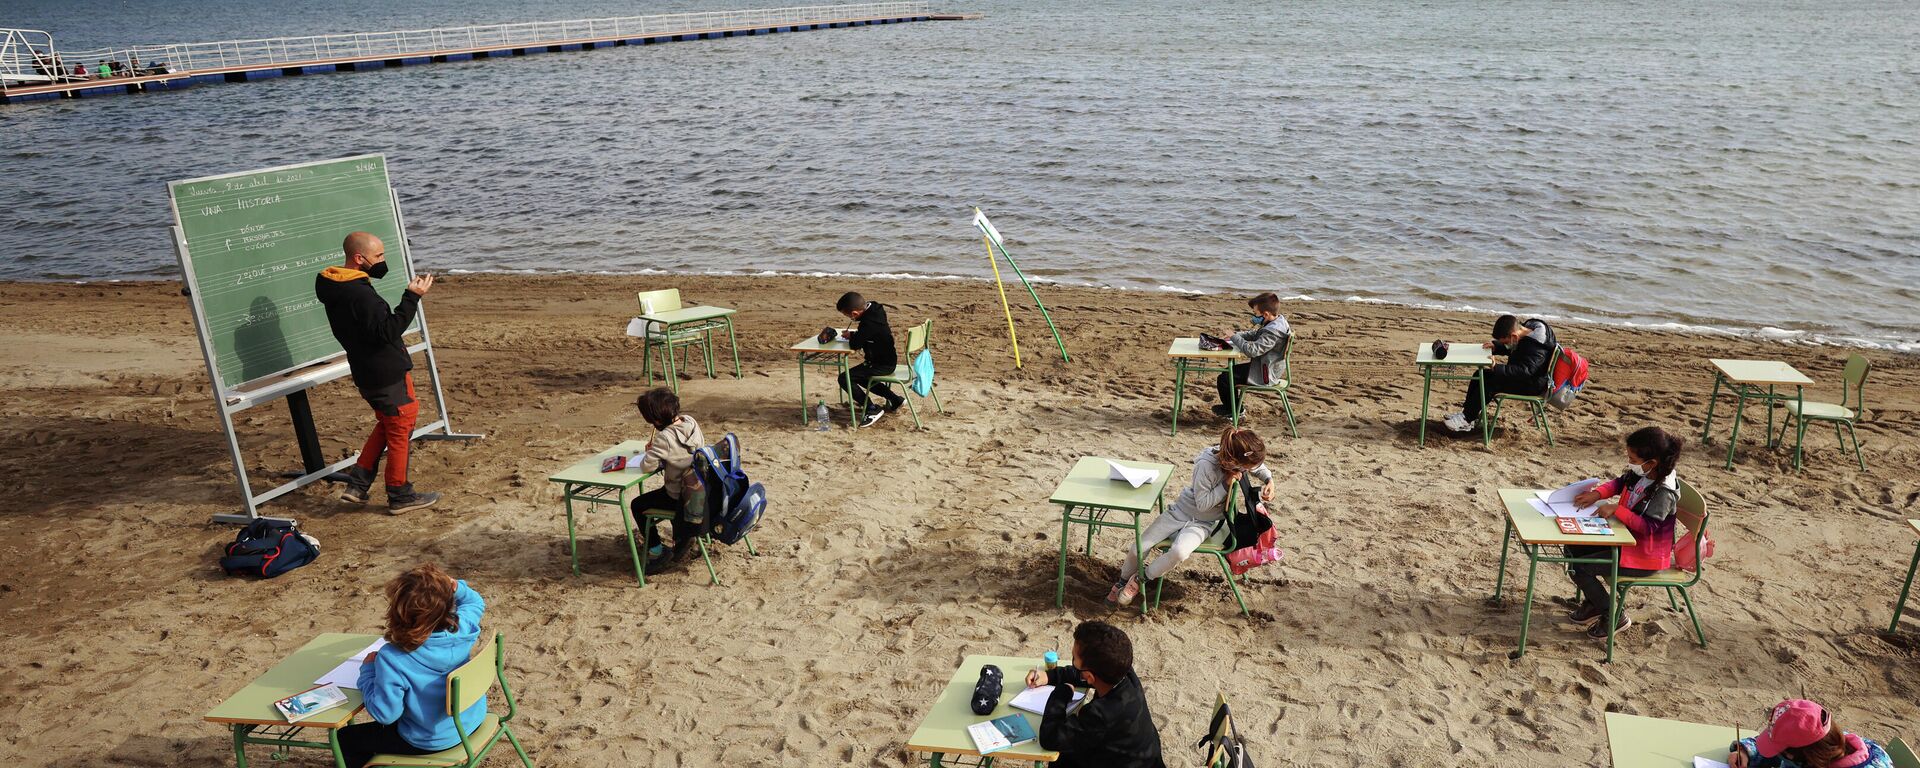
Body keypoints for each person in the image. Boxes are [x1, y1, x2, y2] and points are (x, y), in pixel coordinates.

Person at [316, 231, 440, 513]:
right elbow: (388, 331)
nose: (383, 261)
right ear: (359, 259)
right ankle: (400, 494)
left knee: (388, 422)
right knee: (401, 425)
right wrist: (412, 296)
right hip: (385, 372)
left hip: (365, 371)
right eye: (378, 256)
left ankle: (358, 485)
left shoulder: (335, 284)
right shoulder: (359, 294)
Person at [338, 563, 486, 768]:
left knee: (345, 738)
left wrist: (368, 672)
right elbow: (475, 601)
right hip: (471, 721)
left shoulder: (393, 658)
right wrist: (456, 586)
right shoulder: (463, 628)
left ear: (398, 613)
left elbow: (385, 714)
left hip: (430, 740)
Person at [1107, 426, 1274, 606]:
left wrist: (1268, 479)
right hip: (1180, 512)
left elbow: (1256, 464)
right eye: (1246, 468)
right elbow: (1203, 504)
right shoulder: (1206, 465)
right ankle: (1123, 580)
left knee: (1179, 552)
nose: (1249, 470)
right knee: (1138, 548)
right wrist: (1225, 485)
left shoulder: (1238, 458)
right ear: (1234, 461)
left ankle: (1141, 579)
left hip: (1205, 523)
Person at [1562, 426, 1686, 638]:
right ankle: (1594, 603)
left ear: (1652, 462)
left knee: (1580, 568)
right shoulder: (1645, 472)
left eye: (1633, 459)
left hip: (1644, 557)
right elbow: (1620, 483)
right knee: (1573, 547)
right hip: (1624, 540)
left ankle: (1613, 616)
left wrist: (1616, 510)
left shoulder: (1663, 491)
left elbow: (1648, 527)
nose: (1630, 463)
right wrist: (1598, 494)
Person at [1021, 621, 1165, 768]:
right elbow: (1085, 675)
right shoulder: (1124, 673)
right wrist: (1049, 676)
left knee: (1062, 758)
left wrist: (1061, 693)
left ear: (1089, 676)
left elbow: (1050, 737)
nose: (1072, 663)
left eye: (1074, 659)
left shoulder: (1100, 714)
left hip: (1121, 761)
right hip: (1144, 759)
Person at [627, 387, 705, 573]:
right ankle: (684, 537)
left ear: (656, 419)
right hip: (699, 489)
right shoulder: (691, 422)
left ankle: (656, 550)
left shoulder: (664, 438)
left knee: (638, 505)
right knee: (655, 498)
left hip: (679, 495)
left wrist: (651, 451)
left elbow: (647, 466)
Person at [1443, 314, 1557, 434]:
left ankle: (1466, 419)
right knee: (1480, 374)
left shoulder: (1537, 347)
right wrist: (1496, 346)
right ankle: (1467, 414)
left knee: (1489, 383)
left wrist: (1496, 368)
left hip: (1531, 384)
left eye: (1505, 342)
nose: (1506, 344)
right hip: (1522, 377)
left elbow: (1526, 371)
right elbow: (1514, 348)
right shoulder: (1526, 331)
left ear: (1513, 336)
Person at [1727, 699, 1892, 768]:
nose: (1777, 752)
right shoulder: (1827, 744)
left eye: (1781, 751)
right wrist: (1746, 752)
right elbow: (1774, 747)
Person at [1211, 292, 1292, 419]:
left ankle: (1234, 411)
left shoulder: (1273, 333)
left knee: (1225, 378)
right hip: (1265, 366)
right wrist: (1237, 335)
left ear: (1265, 314)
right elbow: (1255, 334)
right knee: (1228, 374)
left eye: (1256, 314)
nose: (1254, 317)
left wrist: (1235, 337)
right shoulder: (1277, 321)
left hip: (1265, 373)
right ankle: (1234, 407)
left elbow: (1252, 350)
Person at [835, 291, 902, 427]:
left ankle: (871, 409)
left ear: (854, 313)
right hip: (886, 359)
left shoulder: (868, 323)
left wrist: (851, 336)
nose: (849, 318)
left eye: (847, 315)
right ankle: (895, 399)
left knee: (844, 378)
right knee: (861, 376)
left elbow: (855, 345)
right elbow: (867, 334)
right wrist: (856, 334)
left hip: (882, 364)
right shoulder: (875, 308)